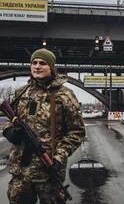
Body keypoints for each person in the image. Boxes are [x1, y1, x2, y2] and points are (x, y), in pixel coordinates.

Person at [2, 48, 85, 204]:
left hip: (48, 173)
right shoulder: (21, 92)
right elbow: (9, 117)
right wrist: (9, 131)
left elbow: (77, 132)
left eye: (42, 63)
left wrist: (59, 157)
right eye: (34, 63)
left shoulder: (64, 95)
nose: (37, 66)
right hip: (21, 172)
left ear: (51, 68)